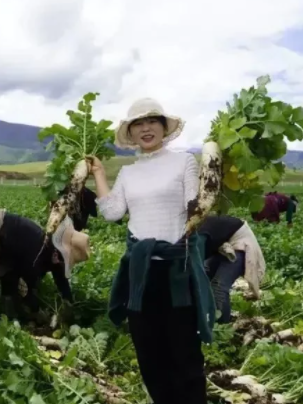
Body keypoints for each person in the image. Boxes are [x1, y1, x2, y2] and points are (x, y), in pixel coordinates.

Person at [90, 98, 214, 404]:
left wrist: (212, 180)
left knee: (184, 352)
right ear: (131, 134)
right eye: (138, 125)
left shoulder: (183, 161)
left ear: (163, 128)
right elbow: (113, 212)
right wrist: (99, 175)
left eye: (152, 122)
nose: (146, 129)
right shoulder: (128, 173)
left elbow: (195, 205)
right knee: (149, 352)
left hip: (176, 268)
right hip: (141, 272)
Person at [0, 210, 90, 354]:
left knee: (10, 279)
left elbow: (61, 279)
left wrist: (69, 305)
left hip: (2, 240)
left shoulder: (52, 250)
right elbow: (28, 290)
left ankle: (7, 323)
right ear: (59, 254)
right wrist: (37, 312)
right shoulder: (36, 255)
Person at [199, 215, 265, 324]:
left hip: (240, 245)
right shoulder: (193, 229)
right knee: (205, 278)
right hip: (223, 245)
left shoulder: (197, 232)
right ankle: (209, 314)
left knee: (219, 286)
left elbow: (196, 260)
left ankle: (223, 324)